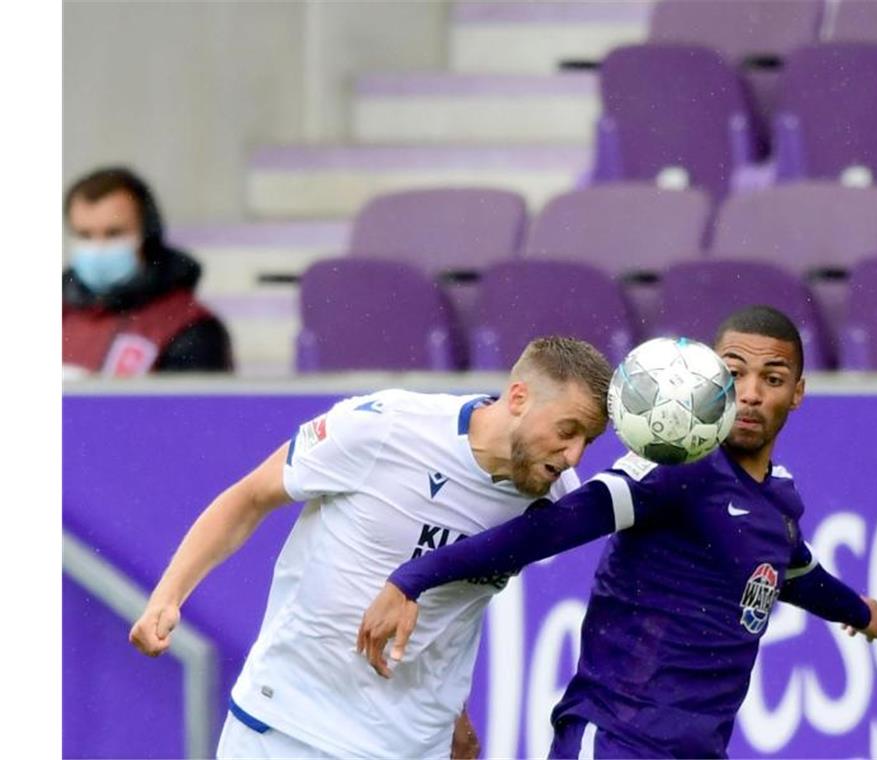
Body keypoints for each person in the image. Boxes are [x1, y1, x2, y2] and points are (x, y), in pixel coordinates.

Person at [360, 305, 877, 759]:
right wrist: (415, 577)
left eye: (773, 379)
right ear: (708, 380)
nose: (752, 393)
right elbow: (553, 528)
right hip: (620, 736)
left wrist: (860, 613)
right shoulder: (680, 469)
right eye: (734, 374)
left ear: (798, 393)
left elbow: (795, 570)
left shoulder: (776, 498)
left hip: (697, 747)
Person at [128, 336, 612, 759]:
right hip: (289, 726)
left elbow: (454, 607)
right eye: (566, 431)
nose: (573, 456)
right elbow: (250, 497)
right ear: (519, 397)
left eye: (587, 441)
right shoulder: (385, 427)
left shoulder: (554, 500)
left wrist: (453, 715)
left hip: (412, 744)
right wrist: (169, 596)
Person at [63, 166, 233, 376]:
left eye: (114, 233)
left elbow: (196, 408)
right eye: (85, 235)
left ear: (146, 235)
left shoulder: (190, 327)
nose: (98, 248)